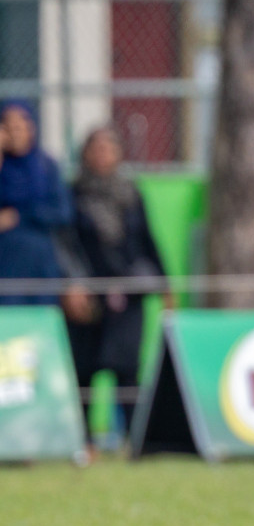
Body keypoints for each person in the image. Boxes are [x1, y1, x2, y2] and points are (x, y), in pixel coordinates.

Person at [63, 127, 170, 443]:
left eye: (109, 148)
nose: (103, 155)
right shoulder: (74, 194)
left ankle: (133, 439)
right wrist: (75, 284)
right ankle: (84, 441)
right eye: (96, 148)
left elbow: (148, 240)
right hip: (90, 294)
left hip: (129, 293)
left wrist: (165, 285)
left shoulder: (130, 193)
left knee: (127, 369)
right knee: (85, 368)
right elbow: (69, 243)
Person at [0, 101, 73, 306]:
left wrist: (19, 216)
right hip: (5, 261)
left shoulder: (45, 166)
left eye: (19, 127)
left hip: (39, 261)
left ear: (31, 128)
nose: (14, 134)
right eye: (7, 127)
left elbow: (62, 212)